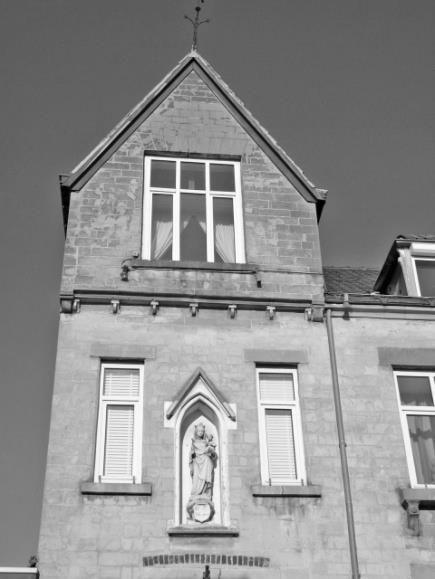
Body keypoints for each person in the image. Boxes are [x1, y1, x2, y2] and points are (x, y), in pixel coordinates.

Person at [189, 422, 217, 499]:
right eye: (199, 431)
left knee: (207, 461)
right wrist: (192, 454)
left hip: (206, 462)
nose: (200, 432)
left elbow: (213, 455)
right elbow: (191, 455)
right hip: (197, 464)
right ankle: (196, 493)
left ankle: (205, 492)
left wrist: (211, 452)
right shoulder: (194, 442)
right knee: (196, 479)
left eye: (202, 431)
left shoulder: (206, 442)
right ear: (196, 432)